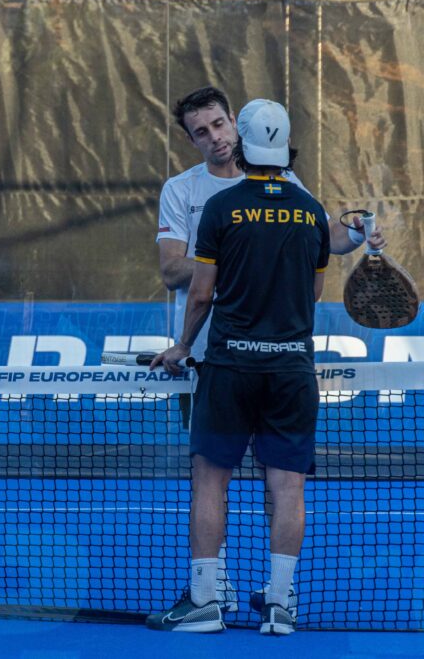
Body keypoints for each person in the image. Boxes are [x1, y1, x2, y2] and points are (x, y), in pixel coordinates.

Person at [155, 86, 387, 615]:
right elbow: (171, 269)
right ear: (191, 140)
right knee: (231, 480)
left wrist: (354, 232)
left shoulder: (287, 190)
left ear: (235, 125)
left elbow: (324, 238)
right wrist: (249, 257)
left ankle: (218, 596)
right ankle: (237, 590)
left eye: (219, 125)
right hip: (212, 359)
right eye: (201, 132)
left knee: (231, 479)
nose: (214, 138)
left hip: (234, 358)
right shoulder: (182, 190)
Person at [147, 99, 329, 635]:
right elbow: (314, 291)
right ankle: (279, 604)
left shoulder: (223, 208)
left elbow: (201, 293)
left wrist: (183, 344)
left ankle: (205, 602)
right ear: (286, 145)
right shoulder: (311, 211)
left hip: (229, 367)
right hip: (291, 369)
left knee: (210, 481)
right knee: (288, 486)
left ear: (242, 143)